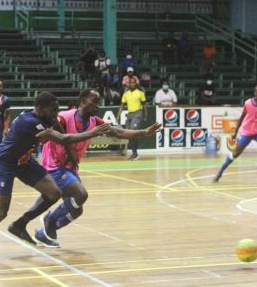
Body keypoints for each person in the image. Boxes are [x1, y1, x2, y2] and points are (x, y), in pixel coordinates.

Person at [0, 92, 110, 256]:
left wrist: (69, 151)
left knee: (54, 193)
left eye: (57, 110)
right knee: (0, 213)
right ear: (40, 108)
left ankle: (20, 224)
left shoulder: (43, 116)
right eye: (53, 110)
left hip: (24, 162)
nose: (56, 114)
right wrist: (92, 132)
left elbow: (58, 125)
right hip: (5, 164)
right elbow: (62, 138)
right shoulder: (32, 122)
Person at [26, 89, 162, 247]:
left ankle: (43, 234)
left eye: (99, 102)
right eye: (94, 101)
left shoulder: (94, 122)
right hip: (54, 165)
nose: (98, 105)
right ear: (83, 101)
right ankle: (50, 220)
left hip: (70, 168)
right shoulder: (64, 117)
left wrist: (143, 132)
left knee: (77, 210)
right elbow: (50, 133)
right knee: (81, 194)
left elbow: (118, 131)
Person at [117, 77, 147, 161]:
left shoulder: (140, 93)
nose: (132, 84)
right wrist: (118, 116)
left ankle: (135, 154)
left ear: (136, 84)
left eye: (134, 83)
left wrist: (145, 115)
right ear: (129, 84)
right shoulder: (126, 94)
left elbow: (144, 105)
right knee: (129, 134)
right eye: (131, 83)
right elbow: (122, 105)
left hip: (138, 113)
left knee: (133, 131)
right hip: (129, 115)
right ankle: (134, 153)